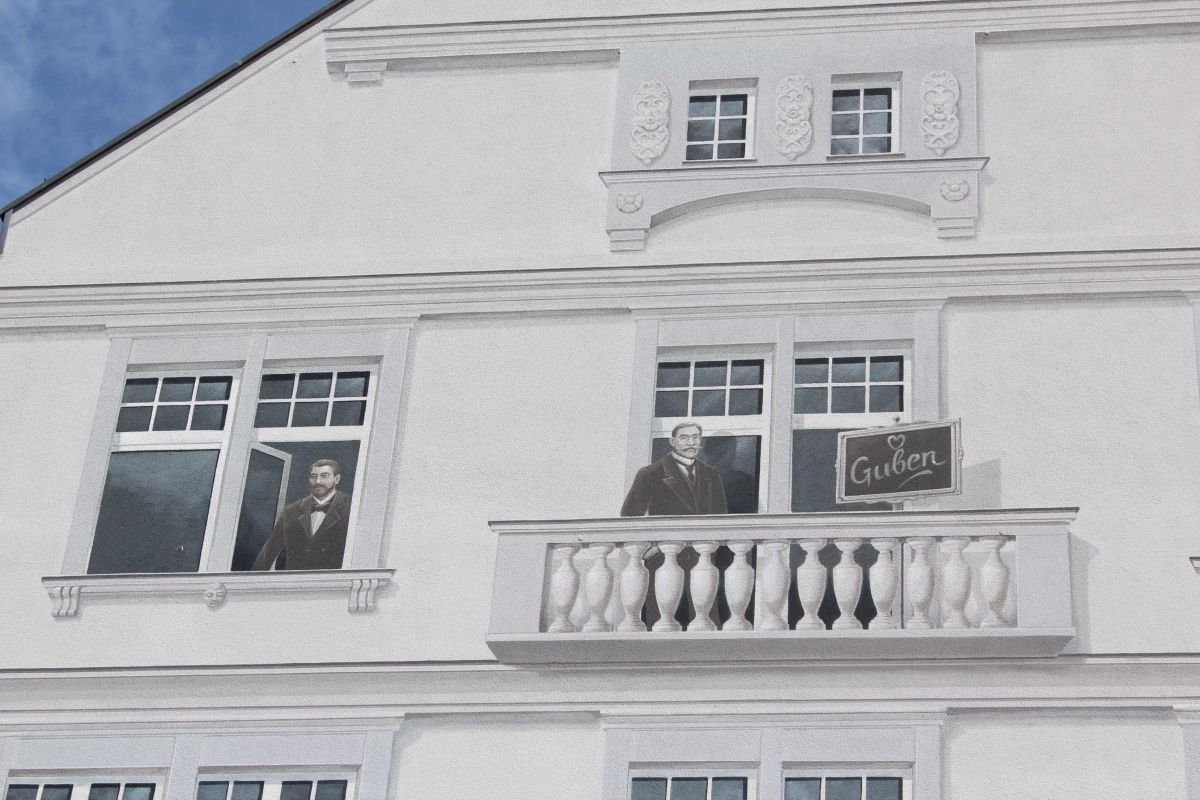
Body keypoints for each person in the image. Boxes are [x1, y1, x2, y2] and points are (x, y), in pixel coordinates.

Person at [252, 459, 351, 570]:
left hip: (334, 584)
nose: (318, 481)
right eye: (313, 476)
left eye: (324, 476)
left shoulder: (351, 508)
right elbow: (269, 551)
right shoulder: (291, 511)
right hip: (294, 583)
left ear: (336, 479)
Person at [621, 422, 728, 516]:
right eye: (684, 438)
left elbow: (721, 515)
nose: (691, 443)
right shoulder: (650, 473)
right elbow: (630, 517)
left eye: (695, 437)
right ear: (672, 441)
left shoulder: (711, 473)